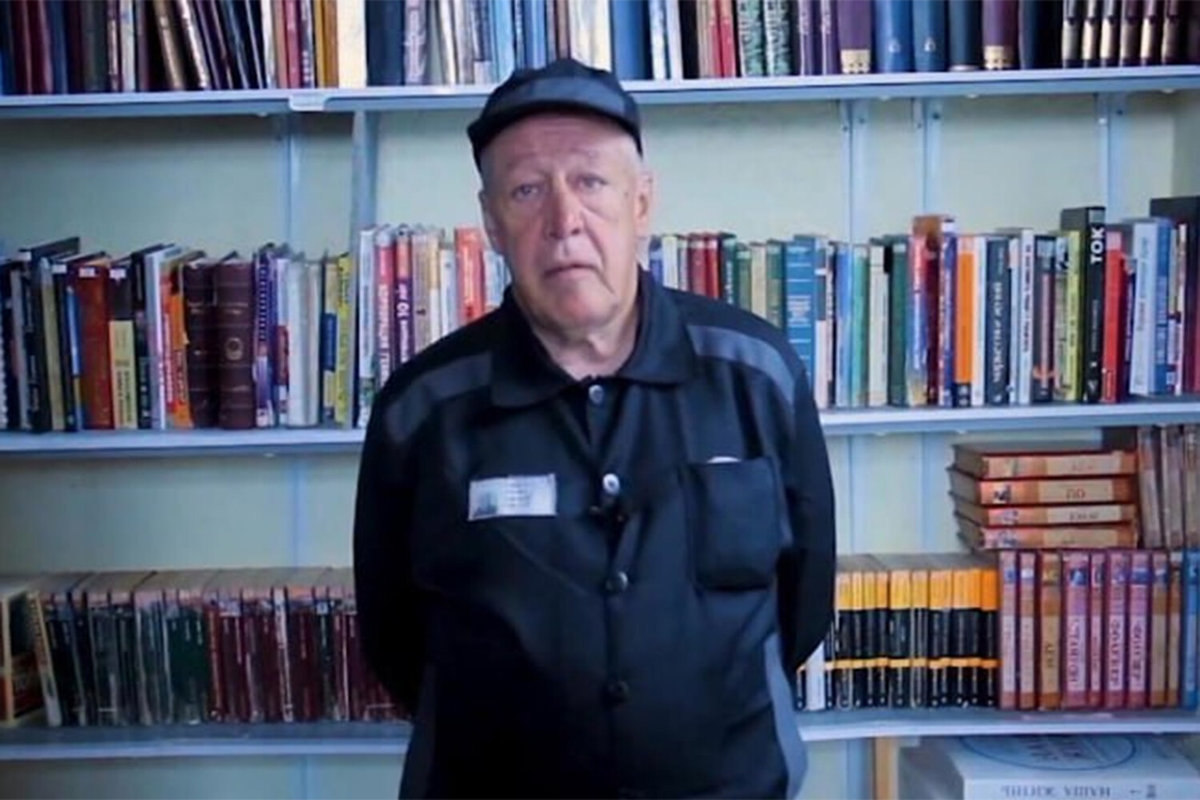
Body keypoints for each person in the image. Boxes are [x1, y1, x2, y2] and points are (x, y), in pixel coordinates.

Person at [352, 57, 837, 800]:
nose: (564, 220)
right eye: (527, 190)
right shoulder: (422, 409)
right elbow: (394, 635)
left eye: (591, 182)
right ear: (491, 222)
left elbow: (804, 602)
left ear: (641, 202)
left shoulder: (757, 375)